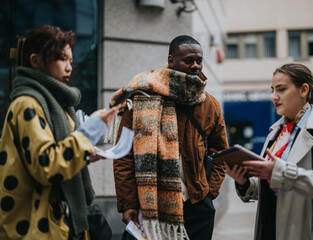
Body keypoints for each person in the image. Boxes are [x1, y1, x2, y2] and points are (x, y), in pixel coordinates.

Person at [0, 25, 122, 239]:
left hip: (58, 223)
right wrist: (89, 132)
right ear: (35, 61)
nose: (69, 68)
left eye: (71, 61)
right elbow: (46, 165)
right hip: (36, 227)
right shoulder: (27, 103)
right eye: (61, 59)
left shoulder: (57, 104)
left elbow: (58, 153)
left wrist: (84, 153)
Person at [111, 35, 229, 240]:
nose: (195, 66)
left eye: (199, 61)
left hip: (197, 206)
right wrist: (128, 203)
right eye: (188, 60)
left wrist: (210, 192)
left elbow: (221, 152)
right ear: (171, 60)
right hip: (151, 208)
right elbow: (123, 155)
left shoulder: (210, 104)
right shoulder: (143, 98)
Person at [225, 63, 313, 240]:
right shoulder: (275, 133)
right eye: (272, 90)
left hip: (304, 231)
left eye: (281, 89)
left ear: (303, 90)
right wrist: (245, 182)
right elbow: (273, 187)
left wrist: (281, 172)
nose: (274, 97)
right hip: (269, 228)